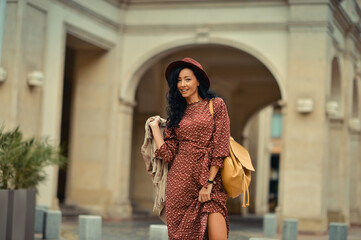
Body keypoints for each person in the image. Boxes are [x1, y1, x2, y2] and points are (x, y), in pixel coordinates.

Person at [149, 57, 230, 240]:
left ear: (198, 81)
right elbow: (168, 154)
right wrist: (155, 129)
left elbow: (221, 146)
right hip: (179, 184)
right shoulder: (176, 116)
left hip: (210, 181)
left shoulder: (216, 105)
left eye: (187, 79)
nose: (182, 84)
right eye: (178, 80)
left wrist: (208, 184)